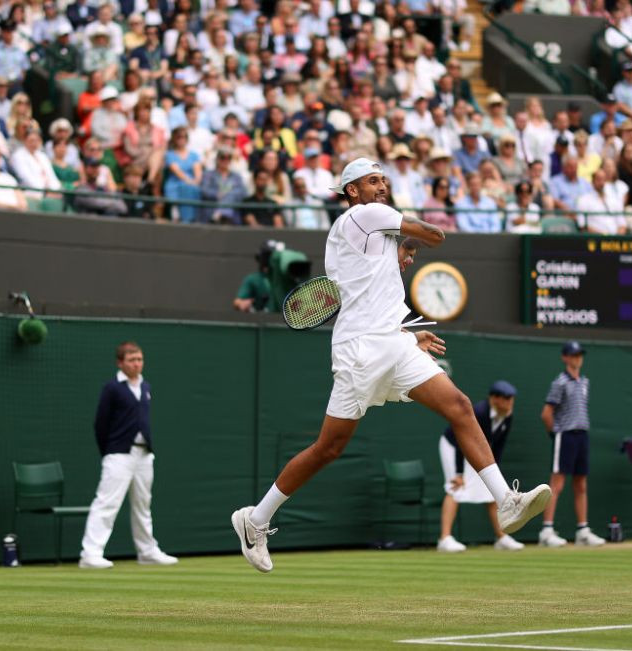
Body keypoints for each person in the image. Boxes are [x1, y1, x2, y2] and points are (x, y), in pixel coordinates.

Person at [231, 158, 551, 573]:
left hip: (392, 343)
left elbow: (377, 291)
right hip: (360, 349)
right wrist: (414, 237)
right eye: (372, 180)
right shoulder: (366, 215)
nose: (381, 186)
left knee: (459, 406)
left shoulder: (375, 234)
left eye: (384, 180)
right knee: (329, 448)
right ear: (352, 191)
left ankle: (506, 501)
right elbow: (435, 235)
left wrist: (407, 331)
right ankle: (255, 520)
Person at [79, 342, 179, 569]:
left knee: (143, 505)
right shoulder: (112, 388)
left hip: (144, 456)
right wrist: (109, 452)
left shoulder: (145, 387)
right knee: (106, 503)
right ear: (120, 363)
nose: (137, 364)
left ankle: (147, 551)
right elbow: (100, 425)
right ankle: (90, 554)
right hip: (118, 455)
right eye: (132, 360)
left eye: (140, 359)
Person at [437, 381, 524, 553]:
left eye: (511, 398)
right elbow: (461, 442)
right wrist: (459, 472)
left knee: (492, 489)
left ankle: (502, 537)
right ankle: (444, 539)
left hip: (473, 448)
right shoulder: (480, 412)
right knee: (455, 486)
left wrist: (495, 473)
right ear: (494, 399)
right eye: (506, 398)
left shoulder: (507, 415)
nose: (509, 402)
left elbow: (497, 447)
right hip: (453, 446)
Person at [539, 341, 605, 548]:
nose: (577, 358)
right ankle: (547, 531)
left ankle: (582, 531)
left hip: (582, 436)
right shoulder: (560, 382)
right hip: (565, 436)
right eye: (573, 355)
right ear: (565, 358)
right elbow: (546, 414)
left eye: (579, 355)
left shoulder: (585, 382)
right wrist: (556, 434)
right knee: (557, 484)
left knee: (581, 484)